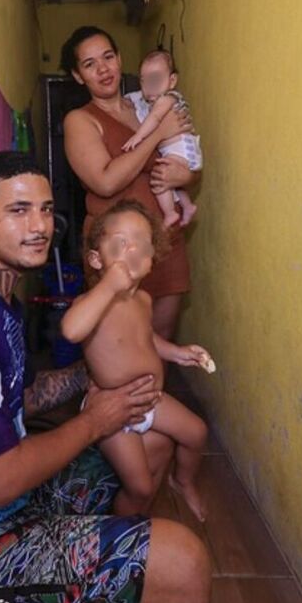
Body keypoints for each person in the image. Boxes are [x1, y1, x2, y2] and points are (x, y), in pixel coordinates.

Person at [0, 151, 210, 603]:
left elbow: (22, 398)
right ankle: (121, 574)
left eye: (46, 209)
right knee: (185, 561)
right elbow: (3, 480)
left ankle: (111, 580)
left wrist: (96, 374)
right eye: (18, 210)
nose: (39, 226)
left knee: (154, 443)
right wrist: (97, 419)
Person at [62, 200, 213, 521]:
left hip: (152, 400)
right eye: (120, 243)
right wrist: (109, 286)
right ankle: (120, 538)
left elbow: (146, 338)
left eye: (140, 244)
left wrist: (177, 352)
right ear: (95, 259)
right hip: (115, 412)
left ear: (151, 258)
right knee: (140, 488)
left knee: (196, 432)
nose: (131, 251)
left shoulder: (143, 299)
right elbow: (72, 331)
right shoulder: (91, 303)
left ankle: (182, 481)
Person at [61, 25, 197, 342]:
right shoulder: (80, 120)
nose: (103, 69)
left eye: (108, 57)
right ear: (79, 76)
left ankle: (154, 393)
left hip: (166, 241)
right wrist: (157, 135)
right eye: (90, 64)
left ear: (121, 59)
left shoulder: (146, 104)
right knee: (119, 343)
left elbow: (184, 157)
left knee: (162, 338)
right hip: (115, 250)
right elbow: (105, 182)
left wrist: (186, 177)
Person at [121, 49, 203, 228]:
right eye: (144, 80)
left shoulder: (168, 99)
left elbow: (155, 119)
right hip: (179, 150)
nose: (149, 86)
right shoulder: (142, 101)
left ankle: (170, 213)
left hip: (182, 149)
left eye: (155, 80)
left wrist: (138, 136)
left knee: (160, 180)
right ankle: (187, 206)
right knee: (173, 180)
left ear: (172, 81)